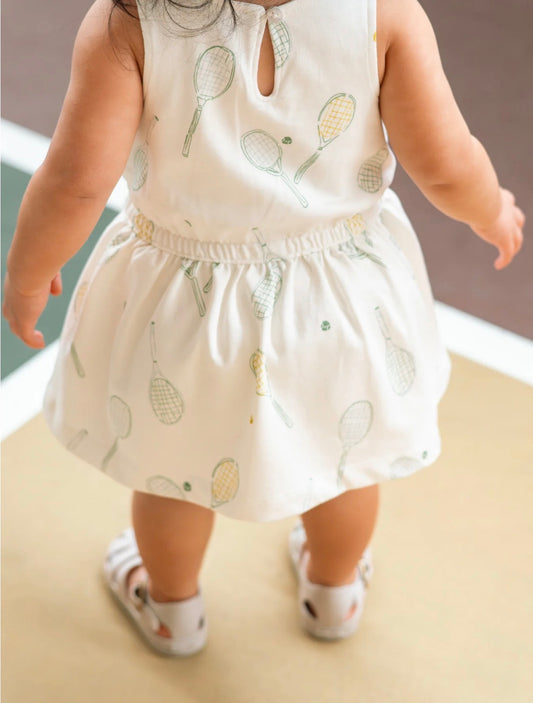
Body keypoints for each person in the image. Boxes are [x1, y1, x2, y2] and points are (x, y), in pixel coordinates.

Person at [3, 0, 524, 657]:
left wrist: (27, 273)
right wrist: (490, 208)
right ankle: (333, 591)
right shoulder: (382, 13)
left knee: (173, 471)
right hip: (338, 303)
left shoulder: (130, 21)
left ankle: (172, 608)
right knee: (343, 459)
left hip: (188, 310)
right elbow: (445, 163)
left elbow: (75, 183)